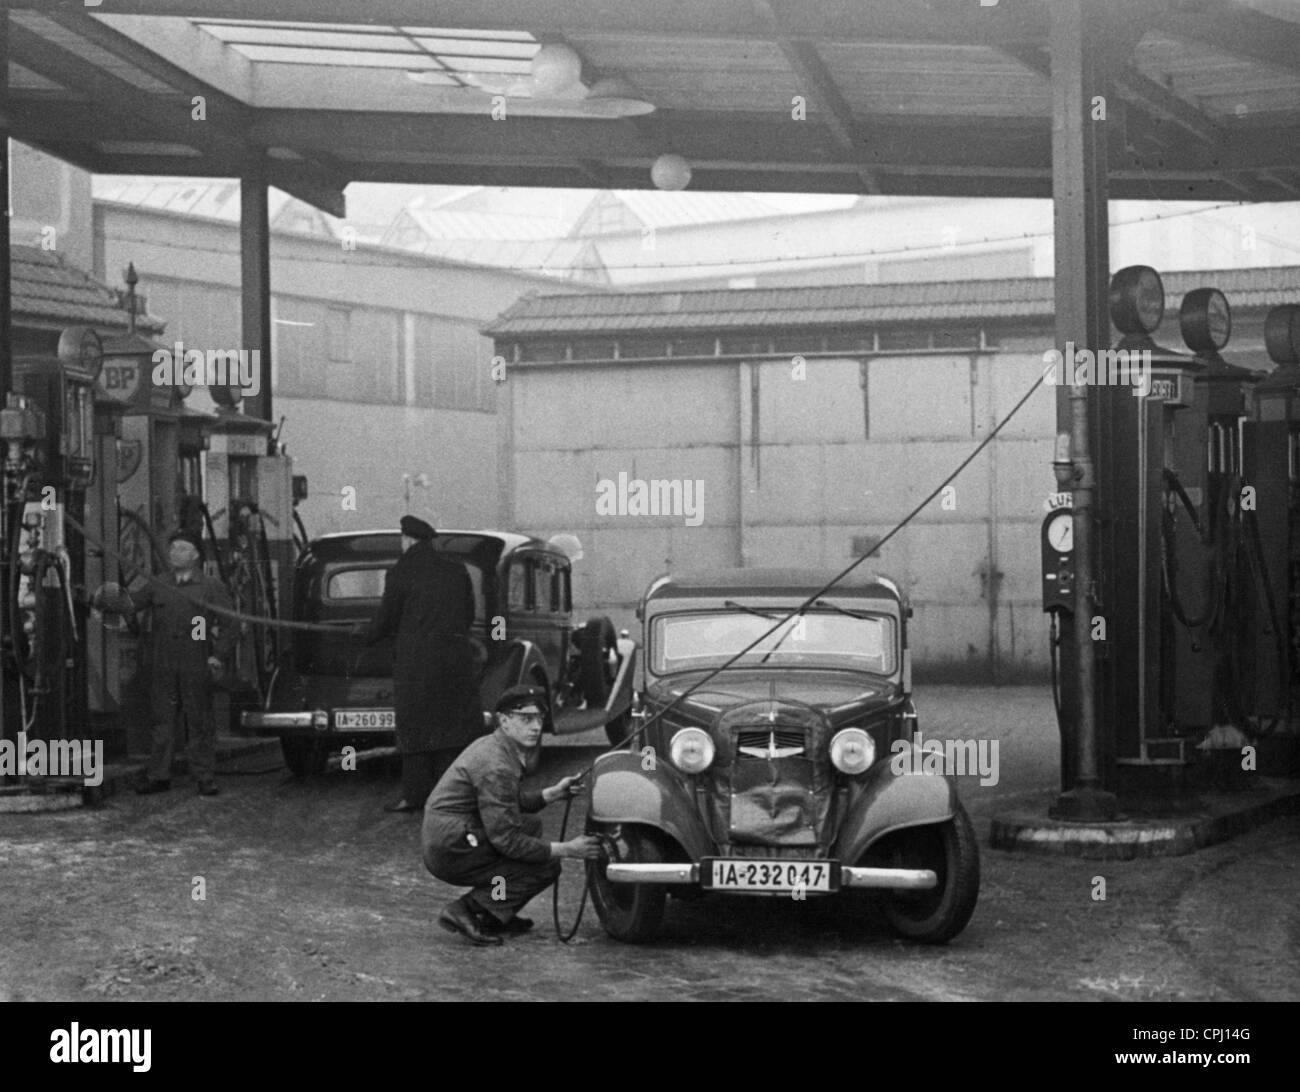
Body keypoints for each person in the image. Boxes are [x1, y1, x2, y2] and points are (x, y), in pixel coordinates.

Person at [422, 685, 602, 946]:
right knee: (546, 865)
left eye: (539, 718)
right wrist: (568, 848)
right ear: (504, 721)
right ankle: (469, 909)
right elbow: (506, 839)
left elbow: (505, 802)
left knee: (531, 826)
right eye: (526, 719)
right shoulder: (496, 764)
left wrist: (551, 794)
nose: (536, 727)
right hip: (452, 847)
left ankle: (496, 912)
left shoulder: (497, 746)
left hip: (455, 834)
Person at [98, 531, 233, 797]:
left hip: (196, 661)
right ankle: (158, 776)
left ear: (195, 555)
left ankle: (204, 777)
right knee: (162, 722)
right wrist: (103, 599)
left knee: (199, 723)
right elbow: (131, 604)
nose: (175, 553)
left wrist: (218, 655)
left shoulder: (210, 586)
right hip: (163, 663)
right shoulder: (158, 584)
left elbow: (231, 625)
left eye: (182, 549)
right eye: (172, 549)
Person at [365, 515, 484, 813]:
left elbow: (386, 619)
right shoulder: (457, 570)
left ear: (407, 540)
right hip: (455, 660)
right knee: (452, 728)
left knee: (415, 728)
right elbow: (468, 615)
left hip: (416, 665)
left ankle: (415, 796)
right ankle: (454, 796)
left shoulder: (401, 572)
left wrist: (364, 635)